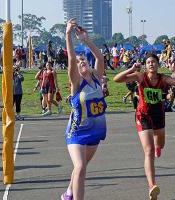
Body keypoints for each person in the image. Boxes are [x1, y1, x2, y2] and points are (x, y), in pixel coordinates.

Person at [113, 54, 175, 200]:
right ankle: (152, 186)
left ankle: (159, 147)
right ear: (145, 65)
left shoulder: (163, 78)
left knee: (160, 145)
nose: (151, 64)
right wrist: (131, 69)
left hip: (158, 115)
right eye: (148, 62)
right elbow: (117, 79)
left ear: (158, 64)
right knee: (149, 151)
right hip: (143, 115)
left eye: (153, 62)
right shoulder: (140, 77)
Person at [61, 18, 107, 200]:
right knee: (80, 167)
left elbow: (100, 57)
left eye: (83, 60)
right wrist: (68, 35)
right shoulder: (76, 83)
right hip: (77, 131)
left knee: (80, 168)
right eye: (79, 62)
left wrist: (86, 40)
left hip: (95, 130)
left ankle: (68, 193)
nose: (81, 62)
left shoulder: (96, 78)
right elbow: (71, 59)